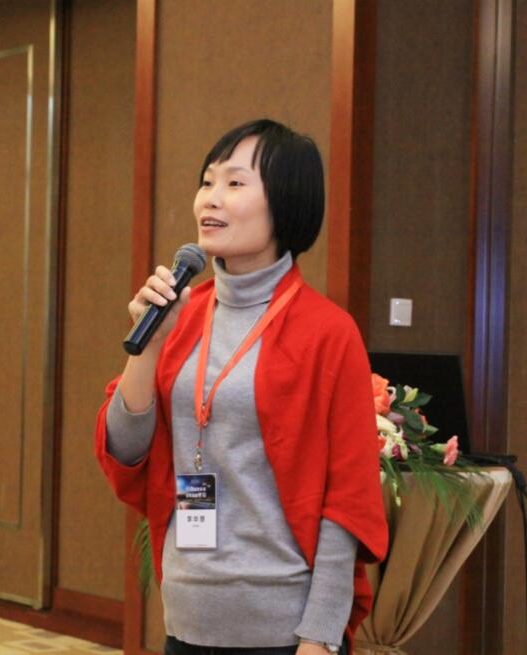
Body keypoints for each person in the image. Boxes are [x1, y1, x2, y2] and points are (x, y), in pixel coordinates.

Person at [95, 119, 387, 655]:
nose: (210, 198)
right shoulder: (183, 313)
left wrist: (320, 638)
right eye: (207, 182)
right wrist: (150, 345)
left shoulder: (327, 331)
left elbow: (349, 499)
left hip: (283, 630)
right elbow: (125, 450)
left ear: (285, 203)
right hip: (187, 618)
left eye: (234, 183)